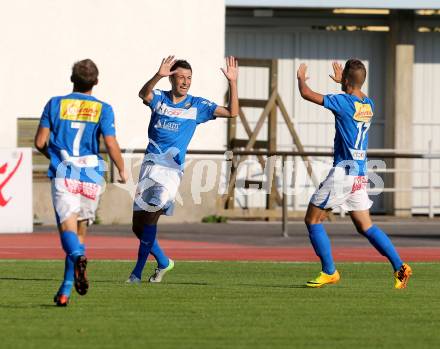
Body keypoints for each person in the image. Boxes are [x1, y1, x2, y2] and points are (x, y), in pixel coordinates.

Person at [296, 59, 412, 289]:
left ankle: (329, 271)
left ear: (347, 80)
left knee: (312, 220)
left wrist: (301, 80)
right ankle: (400, 267)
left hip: (343, 173)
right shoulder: (367, 104)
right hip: (360, 174)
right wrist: (346, 82)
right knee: (365, 226)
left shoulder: (343, 102)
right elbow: (356, 88)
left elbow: (307, 94)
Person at [126, 56, 238, 284]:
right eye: (181, 77)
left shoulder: (197, 105)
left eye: (189, 78)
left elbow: (232, 112)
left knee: (150, 220)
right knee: (138, 227)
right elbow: (143, 94)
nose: (185, 82)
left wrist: (233, 83)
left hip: (170, 171)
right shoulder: (159, 99)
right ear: (171, 79)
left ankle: (136, 274)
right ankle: (164, 262)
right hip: (149, 167)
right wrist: (158, 75)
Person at [34, 59, 127, 306]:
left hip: (65, 174)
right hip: (91, 177)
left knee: (68, 232)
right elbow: (110, 142)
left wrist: (54, 157)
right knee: (80, 234)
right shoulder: (104, 108)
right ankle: (64, 292)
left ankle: (77, 258)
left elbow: (40, 142)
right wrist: (122, 168)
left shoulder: (55, 104)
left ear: (71, 79)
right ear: (96, 82)